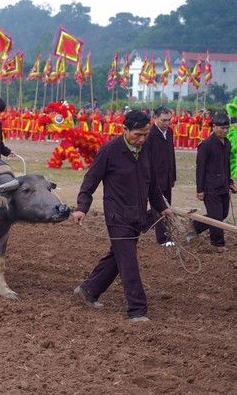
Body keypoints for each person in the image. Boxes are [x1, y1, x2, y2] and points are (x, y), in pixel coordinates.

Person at [72, 109, 172, 322]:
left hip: (138, 215)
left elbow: (153, 185)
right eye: (138, 134)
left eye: (146, 134)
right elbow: (90, 182)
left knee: (118, 257)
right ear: (125, 129)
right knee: (129, 262)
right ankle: (137, 310)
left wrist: (162, 206)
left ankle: (88, 290)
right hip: (117, 216)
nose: (142, 139)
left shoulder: (145, 150)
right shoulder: (110, 151)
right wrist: (82, 207)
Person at [189, 111, 237, 252]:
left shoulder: (227, 143)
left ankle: (195, 226)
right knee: (216, 217)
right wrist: (200, 190)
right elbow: (200, 168)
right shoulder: (206, 145)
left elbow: (226, 165)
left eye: (227, 128)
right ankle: (217, 243)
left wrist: (230, 182)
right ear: (214, 127)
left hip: (223, 185)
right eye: (222, 128)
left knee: (222, 214)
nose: (225, 131)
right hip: (210, 187)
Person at [147, 107, 177, 247]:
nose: (167, 123)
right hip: (155, 178)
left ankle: (142, 224)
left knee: (166, 205)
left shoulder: (170, 132)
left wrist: (173, 175)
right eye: (163, 120)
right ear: (155, 118)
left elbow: (171, 155)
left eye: (169, 120)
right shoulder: (150, 134)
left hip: (167, 176)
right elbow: (147, 159)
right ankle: (163, 238)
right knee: (160, 208)